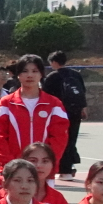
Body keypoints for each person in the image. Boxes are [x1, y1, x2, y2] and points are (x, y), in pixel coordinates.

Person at [0, 55, 69, 173]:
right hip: (14, 171)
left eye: (34, 71)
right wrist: (10, 165)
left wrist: (47, 163)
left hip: (43, 171)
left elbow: (60, 138)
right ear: (18, 74)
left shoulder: (54, 104)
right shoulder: (5, 103)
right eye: (25, 71)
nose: (30, 75)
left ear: (41, 74)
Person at [41, 51, 87, 179]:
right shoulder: (76, 74)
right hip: (75, 111)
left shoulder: (53, 77)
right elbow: (82, 92)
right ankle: (69, 168)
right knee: (72, 139)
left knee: (59, 140)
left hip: (59, 113)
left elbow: (45, 96)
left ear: (53, 62)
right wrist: (83, 108)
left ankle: (63, 169)